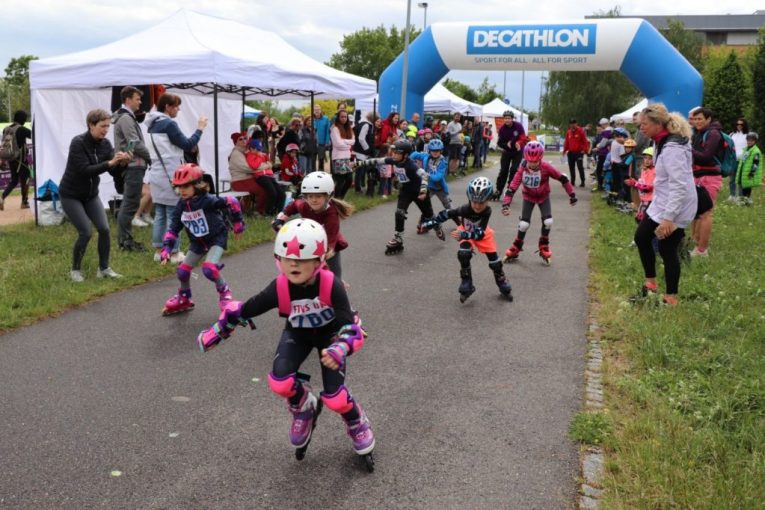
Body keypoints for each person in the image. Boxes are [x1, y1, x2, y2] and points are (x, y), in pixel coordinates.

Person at [195, 219, 376, 467]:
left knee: (336, 398)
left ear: (319, 260)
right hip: (298, 334)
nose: (293, 264)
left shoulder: (330, 284)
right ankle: (304, 406)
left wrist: (341, 347)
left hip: (331, 338)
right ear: (278, 259)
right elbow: (247, 309)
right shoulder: (279, 287)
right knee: (280, 382)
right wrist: (219, 329)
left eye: (302, 259)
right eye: (287, 258)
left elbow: (351, 328)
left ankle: (356, 421)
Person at [159, 163, 245, 315]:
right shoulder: (181, 205)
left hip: (216, 238)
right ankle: (184, 297)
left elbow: (232, 201)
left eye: (186, 186)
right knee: (182, 271)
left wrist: (238, 223)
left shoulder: (207, 200)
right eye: (179, 187)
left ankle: (225, 294)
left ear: (197, 185)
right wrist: (166, 248)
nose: (182, 190)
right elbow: (173, 228)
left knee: (209, 269)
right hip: (197, 242)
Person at [634, 103, 697, 306]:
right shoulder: (661, 142)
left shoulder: (672, 149)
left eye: (644, 124)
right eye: (640, 124)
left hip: (677, 204)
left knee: (667, 247)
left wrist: (669, 218)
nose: (641, 127)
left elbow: (679, 186)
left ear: (658, 124)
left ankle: (671, 297)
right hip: (662, 200)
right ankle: (650, 284)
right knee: (642, 237)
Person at [59, 109, 131, 281]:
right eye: (102, 126)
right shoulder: (78, 142)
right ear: (91, 125)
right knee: (86, 232)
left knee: (104, 229)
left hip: (91, 195)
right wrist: (110, 163)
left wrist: (122, 163)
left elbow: (113, 172)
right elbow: (84, 170)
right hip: (71, 195)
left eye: (107, 126)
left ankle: (104, 269)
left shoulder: (105, 144)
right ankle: (75, 271)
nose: (106, 130)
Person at [422, 177, 513, 303]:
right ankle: (467, 282)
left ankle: (501, 280)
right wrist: (433, 222)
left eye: (481, 203)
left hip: (481, 234)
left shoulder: (487, 211)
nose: (477, 206)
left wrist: (464, 235)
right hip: (465, 231)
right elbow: (448, 213)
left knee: (494, 261)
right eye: (474, 202)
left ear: (488, 200)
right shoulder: (465, 209)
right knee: (463, 254)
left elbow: (479, 234)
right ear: (469, 198)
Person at [145, 92, 208, 264]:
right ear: (167, 107)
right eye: (176, 107)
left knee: (160, 213)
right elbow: (187, 144)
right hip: (171, 174)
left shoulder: (151, 125)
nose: (178, 110)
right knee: (174, 214)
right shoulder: (169, 124)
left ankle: (159, 251)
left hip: (156, 173)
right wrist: (200, 128)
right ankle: (173, 252)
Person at [501, 141, 578, 265]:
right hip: (528, 197)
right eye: (530, 161)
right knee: (524, 224)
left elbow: (562, 178)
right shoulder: (522, 168)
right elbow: (512, 187)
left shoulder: (546, 167)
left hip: (543, 197)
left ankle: (544, 245)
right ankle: (516, 246)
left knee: (548, 222)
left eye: (535, 161)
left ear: (540, 158)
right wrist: (506, 204)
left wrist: (572, 195)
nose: (532, 164)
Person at [272, 171, 354, 278]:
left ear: (328, 197)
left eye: (318, 196)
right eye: (310, 196)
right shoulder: (304, 205)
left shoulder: (331, 215)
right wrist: (280, 219)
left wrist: (325, 253)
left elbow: (331, 239)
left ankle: (338, 285)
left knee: (333, 274)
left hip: (329, 243)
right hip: (309, 238)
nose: (314, 200)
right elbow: (294, 205)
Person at [363, 140, 433, 254]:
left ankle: (434, 223)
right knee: (399, 212)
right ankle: (398, 238)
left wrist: (423, 191)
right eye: (393, 152)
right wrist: (358, 164)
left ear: (405, 155)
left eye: (397, 153)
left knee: (429, 215)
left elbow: (425, 175)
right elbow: (377, 160)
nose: (394, 155)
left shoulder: (411, 165)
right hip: (405, 191)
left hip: (418, 192)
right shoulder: (393, 160)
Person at [112, 86, 152, 251]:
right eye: (137, 99)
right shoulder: (126, 118)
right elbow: (134, 143)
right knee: (130, 204)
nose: (140, 102)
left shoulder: (126, 117)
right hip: (133, 166)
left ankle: (125, 240)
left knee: (130, 203)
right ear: (128, 100)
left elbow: (131, 143)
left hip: (133, 165)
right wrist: (150, 157)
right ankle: (125, 242)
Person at [689, 106, 724, 257]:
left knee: (706, 213)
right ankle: (695, 240)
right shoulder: (699, 133)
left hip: (710, 177)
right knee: (696, 212)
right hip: (697, 176)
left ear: (708, 119)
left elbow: (706, 157)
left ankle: (703, 250)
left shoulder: (713, 134)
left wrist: (687, 148)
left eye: (700, 119)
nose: (697, 122)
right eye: (695, 119)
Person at [410, 138, 449, 240]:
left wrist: (425, 174)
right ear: (430, 150)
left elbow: (438, 177)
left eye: (437, 151)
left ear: (441, 151)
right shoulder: (426, 156)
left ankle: (459, 223)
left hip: (439, 188)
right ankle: (421, 225)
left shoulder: (443, 162)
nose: (435, 153)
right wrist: (409, 161)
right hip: (429, 187)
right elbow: (415, 154)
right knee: (425, 206)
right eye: (433, 150)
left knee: (448, 206)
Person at [245, 133, 285, 215]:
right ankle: (267, 211)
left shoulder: (262, 155)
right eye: (257, 149)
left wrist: (265, 161)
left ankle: (278, 212)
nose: (260, 151)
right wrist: (260, 158)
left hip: (269, 176)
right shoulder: (250, 156)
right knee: (272, 193)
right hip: (260, 177)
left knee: (282, 194)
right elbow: (254, 166)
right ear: (251, 148)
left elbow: (270, 164)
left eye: (260, 149)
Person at [229, 131, 267, 216]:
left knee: (267, 186)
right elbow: (249, 168)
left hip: (246, 180)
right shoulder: (236, 154)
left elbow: (255, 164)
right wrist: (267, 166)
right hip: (239, 182)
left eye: (245, 138)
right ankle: (257, 212)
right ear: (236, 143)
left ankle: (252, 210)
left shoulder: (244, 152)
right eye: (240, 139)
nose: (243, 140)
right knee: (263, 190)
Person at [0, 110, 33, 210]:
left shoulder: (6, 129)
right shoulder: (21, 129)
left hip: (11, 158)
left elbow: (4, 145)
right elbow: (34, 135)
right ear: (22, 119)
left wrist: (2, 160)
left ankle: (2, 197)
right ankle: (24, 202)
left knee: (14, 181)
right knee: (26, 178)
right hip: (21, 160)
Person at [494, 110, 527, 198]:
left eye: (509, 118)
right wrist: (506, 145)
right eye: (505, 118)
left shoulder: (518, 126)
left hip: (517, 151)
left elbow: (523, 138)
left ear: (512, 119)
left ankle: (510, 188)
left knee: (514, 170)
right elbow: (499, 143)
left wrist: (518, 143)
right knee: (503, 170)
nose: (507, 120)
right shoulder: (502, 129)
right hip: (507, 151)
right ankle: (498, 190)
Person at [624, 147, 656, 224]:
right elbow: (641, 183)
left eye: (650, 158)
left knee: (644, 221)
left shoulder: (653, 171)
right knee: (638, 219)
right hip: (643, 199)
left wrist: (635, 184)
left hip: (650, 200)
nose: (647, 160)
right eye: (645, 158)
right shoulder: (644, 170)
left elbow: (648, 187)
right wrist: (633, 182)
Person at [330, 109, 355, 199]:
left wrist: (343, 141)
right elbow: (338, 144)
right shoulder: (335, 129)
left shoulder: (349, 129)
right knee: (340, 180)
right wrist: (347, 144)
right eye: (342, 117)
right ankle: (336, 199)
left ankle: (341, 197)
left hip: (347, 157)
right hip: (338, 158)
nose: (344, 118)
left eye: (345, 117)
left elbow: (353, 141)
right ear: (338, 117)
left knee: (349, 180)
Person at [736, 132, 762, 205]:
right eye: (748, 140)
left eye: (751, 140)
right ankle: (743, 200)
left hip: (748, 173)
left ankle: (747, 201)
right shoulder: (746, 149)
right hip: (743, 172)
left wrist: (752, 173)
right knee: (743, 186)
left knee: (747, 187)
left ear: (755, 141)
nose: (749, 142)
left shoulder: (756, 151)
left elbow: (756, 163)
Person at [352, 112, 376, 193]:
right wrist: (367, 148)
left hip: (360, 151)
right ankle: (358, 189)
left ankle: (358, 187)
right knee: (360, 171)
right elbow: (361, 138)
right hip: (361, 152)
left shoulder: (362, 123)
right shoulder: (366, 125)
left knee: (360, 171)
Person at [562, 118, 588, 188]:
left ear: (576, 124)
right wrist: (564, 151)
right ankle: (572, 182)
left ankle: (583, 181)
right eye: (571, 124)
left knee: (580, 167)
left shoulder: (580, 131)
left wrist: (584, 150)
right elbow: (566, 142)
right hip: (571, 152)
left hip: (579, 152)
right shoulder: (569, 132)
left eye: (574, 123)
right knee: (571, 167)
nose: (572, 125)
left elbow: (585, 141)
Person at [729, 117, 749, 202]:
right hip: (733, 160)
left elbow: (750, 148)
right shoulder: (732, 134)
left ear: (744, 125)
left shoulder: (748, 135)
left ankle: (740, 196)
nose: (739, 125)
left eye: (741, 124)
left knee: (740, 179)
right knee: (731, 179)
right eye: (738, 124)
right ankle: (732, 195)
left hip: (742, 160)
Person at [593, 118, 613, 191]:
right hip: (606, 153)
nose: (601, 127)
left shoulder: (607, 131)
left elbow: (603, 143)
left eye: (601, 125)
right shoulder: (611, 130)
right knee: (602, 170)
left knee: (600, 170)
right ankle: (602, 185)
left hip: (604, 153)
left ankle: (601, 186)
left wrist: (598, 146)